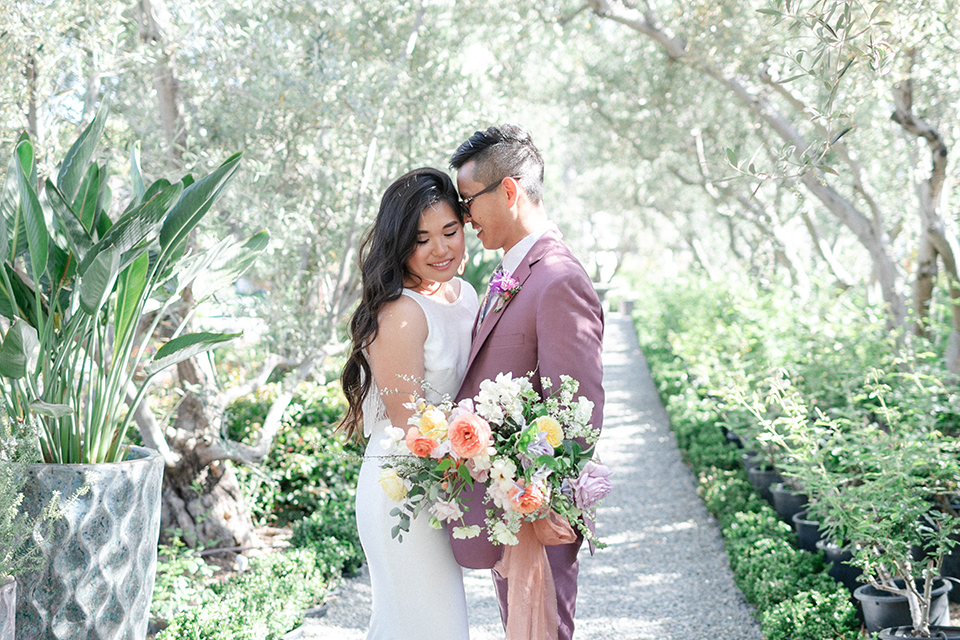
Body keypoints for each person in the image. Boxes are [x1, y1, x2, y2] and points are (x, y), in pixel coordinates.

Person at [449, 125, 605, 640]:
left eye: (468, 201)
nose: (465, 218)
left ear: (509, 192)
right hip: (510, 511)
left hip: (538, 515)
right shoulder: (512, 272)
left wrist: (541, 500)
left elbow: (578, 412)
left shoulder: (558, 279)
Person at [340, 167, 479, 640]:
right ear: (399, 244)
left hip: (445, 480)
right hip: (404, 487)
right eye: (422, 239)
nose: (441, 249)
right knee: (421, 624)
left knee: (440, 622)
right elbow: (411, 422)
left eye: (450, 232)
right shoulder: (399, 312)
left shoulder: (467, 295)